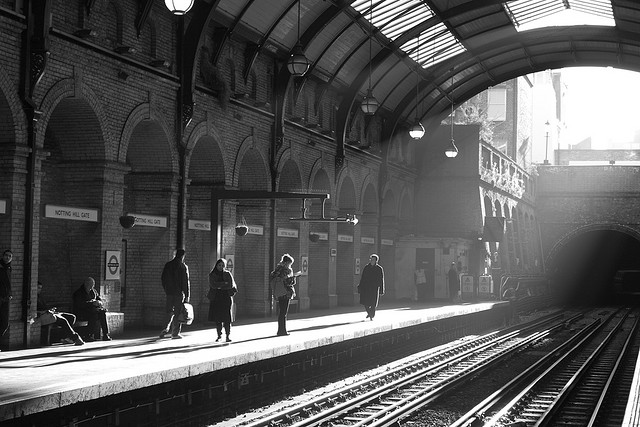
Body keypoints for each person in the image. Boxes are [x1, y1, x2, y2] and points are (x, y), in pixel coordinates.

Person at [36, 281, 84, 346]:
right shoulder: (34, 297)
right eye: (38, 288)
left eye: (40, 288)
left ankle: (66, 338)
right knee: (63, 320)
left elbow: (45, 306)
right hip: (43, 315)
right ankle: (74, 337)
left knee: (71, 317)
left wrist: (50, 309)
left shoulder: (40, 297)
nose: (39, 290)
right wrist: (47, 310)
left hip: (48, 312)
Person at [160, 248, 190, 339]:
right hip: (178, 293)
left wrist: (166, 289)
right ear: (183, 256)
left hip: (169, 293)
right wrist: (187, 295)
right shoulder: (183, 266)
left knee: (169, 311)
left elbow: (163, 279)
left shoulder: (168, 265)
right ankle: (175, 333)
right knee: (178, 313)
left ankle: (165, 328)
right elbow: (185, 282)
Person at [208, 258, 237, 342]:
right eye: (219, 265)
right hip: (216, 298)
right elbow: (213, 285)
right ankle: (219, 335)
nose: (221, 267)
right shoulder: (212, 274)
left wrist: (219, 286)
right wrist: (224, 283)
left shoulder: (227, 274)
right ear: (216, 265)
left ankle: (228, 335)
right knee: (218, 318)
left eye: (222, 265)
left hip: (226, 297)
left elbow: (230, 285)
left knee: (227, 318)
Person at [73, 277, 111, 342]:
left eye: (92, 285)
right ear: (86, 284)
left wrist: (99, 302)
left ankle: (105, 334)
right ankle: (89, 335)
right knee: (94, 315)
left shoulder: (94, 291)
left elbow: (99, 299)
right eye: (90, 285)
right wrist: (92, 303)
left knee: (102, 313)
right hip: (82, 312)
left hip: (93, 311)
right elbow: (80, 305)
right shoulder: (79, 293)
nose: (91, 287)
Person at [270, 253, 297, 336]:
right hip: (286, 292)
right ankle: (282, 331)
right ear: (286, 262)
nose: (290, 265)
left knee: (282, 312)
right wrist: (293, 278)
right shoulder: (286, 270)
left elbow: (273, 276)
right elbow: (288, 282)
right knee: (283, 312)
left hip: (280, 292)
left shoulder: (278, 269)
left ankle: (281, 330)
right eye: (289, 263)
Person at [358, 254, 385, 320]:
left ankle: (371, 315)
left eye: (373, 259)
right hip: (366, 287)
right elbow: (363, 277)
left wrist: (382, 289)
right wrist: (360, 286)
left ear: (376, 261)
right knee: (365, 302)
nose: (371, 261)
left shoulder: (379, 269)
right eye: (370, 259)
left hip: (374, 288)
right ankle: (369, 313)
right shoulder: (366, 267)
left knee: (373, 303)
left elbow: (381, 279)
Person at [0, 250, 12, 340]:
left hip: (6, 298)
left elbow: (8, 284)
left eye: (10, 256)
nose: (8, 257)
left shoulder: (9, 268)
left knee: (5, 323)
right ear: (3, 256)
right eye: (6, 255)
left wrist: (10, 294)